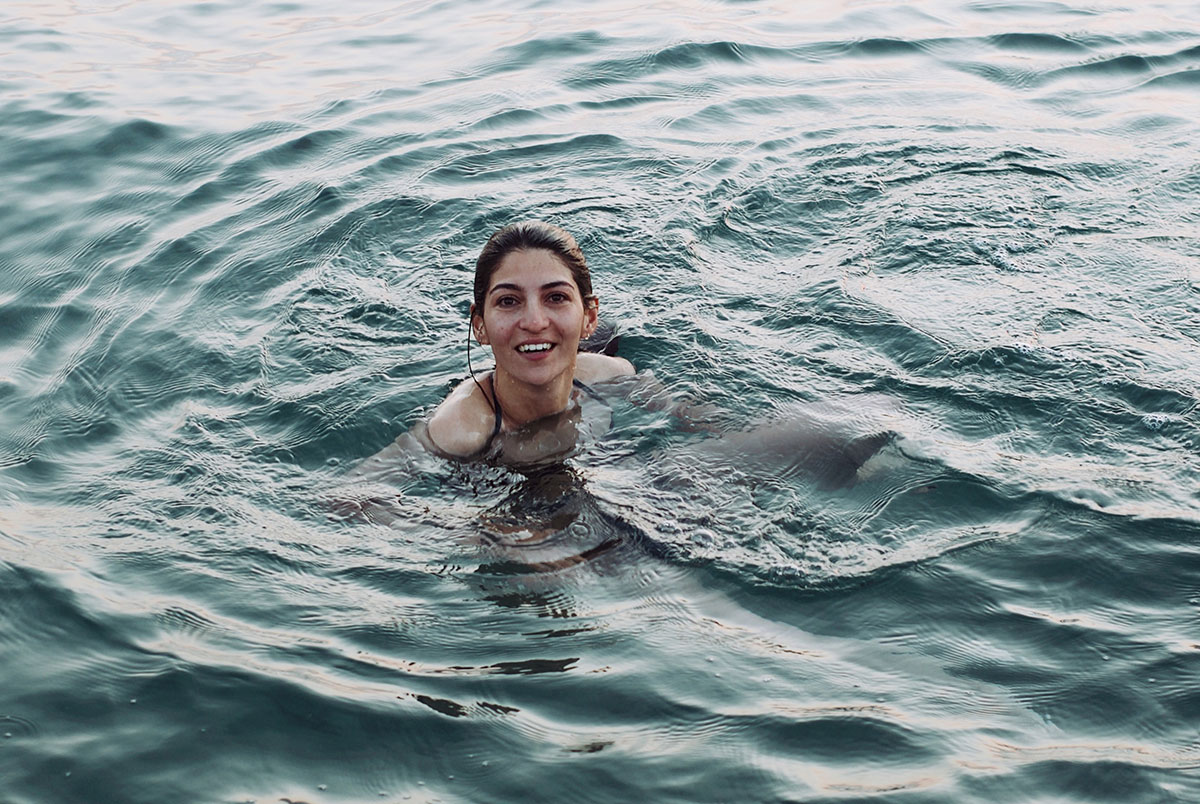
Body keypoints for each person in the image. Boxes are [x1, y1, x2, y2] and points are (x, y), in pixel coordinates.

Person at [421, 220, 635, 465]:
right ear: (479, 326)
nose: (534, 322)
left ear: (590, 317)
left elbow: (684, 425)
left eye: (556, 297)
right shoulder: (458, 430)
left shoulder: (613, 375)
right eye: (508, 301)